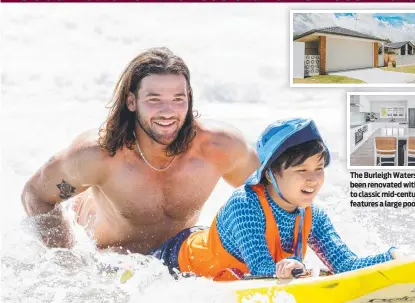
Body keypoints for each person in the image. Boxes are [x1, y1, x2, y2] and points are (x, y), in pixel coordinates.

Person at [21, 47, 260, 254]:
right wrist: (66, 260)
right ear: (131, 102)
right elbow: (36, 196)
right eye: (154, 99)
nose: (168, 111)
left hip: (177, 257)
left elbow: (276, 195)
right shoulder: (98, 155)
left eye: (178, 99)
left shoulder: (220, 148)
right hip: (108, 258)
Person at [149, 118, 399, 280]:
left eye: (319, 168)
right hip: (171, 264)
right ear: (269, 173)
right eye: (301, 170)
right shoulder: (245, 206)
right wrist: (291, 271)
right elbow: (263, 272)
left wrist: (393, 258)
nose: (313, 180)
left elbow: (346, 265)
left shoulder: (314, 216)